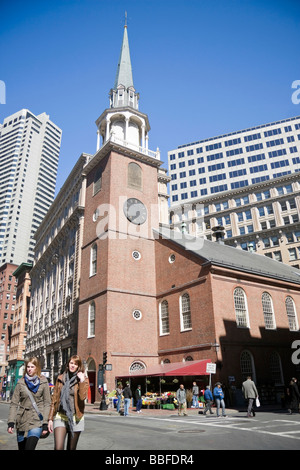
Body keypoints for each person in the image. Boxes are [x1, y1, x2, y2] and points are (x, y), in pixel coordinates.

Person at [7, 357, 51, 450]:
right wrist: (11, 422)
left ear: (37, 368)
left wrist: (45, 423)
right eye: (28, 367)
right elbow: (14, 404)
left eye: (32, 367)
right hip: (22, 420)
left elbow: (47, 403)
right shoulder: (20, 382)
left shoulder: (43, 381)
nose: (29, 369)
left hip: (36, 420)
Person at [48, 355, 89, 450]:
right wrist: (50, 418)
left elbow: (82, 397)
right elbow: (54, 398)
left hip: (76, 418)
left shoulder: (83, 379)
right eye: (71, 363)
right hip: (61, 416)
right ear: (68, 364)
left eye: (75, 364)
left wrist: (82, 381)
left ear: (78, 366)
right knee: (58, 448)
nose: (73, 366)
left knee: (71, 448)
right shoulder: (61, 378)